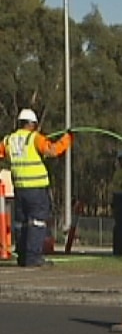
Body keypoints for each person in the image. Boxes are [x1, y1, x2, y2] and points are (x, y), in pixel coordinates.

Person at [0, 108, 73, 267]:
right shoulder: (35, 138)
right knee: (37, 223)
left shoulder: (8, 141)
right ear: (32, 124)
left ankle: (23, 256)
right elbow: (52, 150)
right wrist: (67, 139)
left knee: (22, 223)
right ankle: (33, 258)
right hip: (37, 190)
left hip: (19, 189)